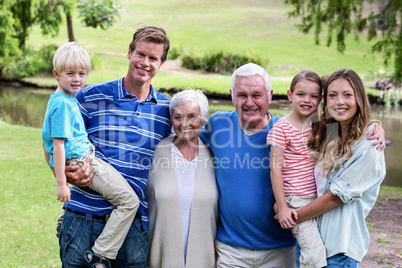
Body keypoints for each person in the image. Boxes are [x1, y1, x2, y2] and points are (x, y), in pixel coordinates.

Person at [44, 26, 171, 267]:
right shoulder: (88, 96)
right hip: (82, 218)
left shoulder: (167, 110)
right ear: (129, 53)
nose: (145, 62)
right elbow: (52, 137)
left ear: (161, 63)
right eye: (140, 54)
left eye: (153, 58)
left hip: (132, 226)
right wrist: (62, 176)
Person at [42, 41, 140, 268]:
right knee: (129, 202)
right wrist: (61, 182)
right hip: (82, 162)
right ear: (56, 74)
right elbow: (56, 145)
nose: (77, 79)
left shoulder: (64, 99)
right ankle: (100, 254)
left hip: (85, 158)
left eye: (82, 74)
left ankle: (66, 220)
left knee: (125, 196)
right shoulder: (63, 105)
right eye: (70, 74)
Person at [199, 63, 296, 268]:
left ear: (270, 96)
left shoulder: (287, 131)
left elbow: (331, 135)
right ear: (232, 95)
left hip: (281, 249)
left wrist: (372, 126)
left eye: (257, 95)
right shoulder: (218, 124)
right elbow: (183, 135)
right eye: (242, 95)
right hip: (231, 250)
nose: (249, 103)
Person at [290, 68, 386, 267]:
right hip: (311, 242)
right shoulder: (329, 131)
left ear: (359, 98)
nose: (339, 101)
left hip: (338, 251)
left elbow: (334, 198)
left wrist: (290, 217)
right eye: (332, 95)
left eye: (347, 95)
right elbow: (289, 123)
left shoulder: (369, 144)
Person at [146, 89, 219, 268]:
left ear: (203, 118)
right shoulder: (155, 151)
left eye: (192, 116)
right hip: (159, 257)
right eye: (178, 117)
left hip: (205, 258)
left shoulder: (214, 154)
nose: (185, 124)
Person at [267, 71, 327, 268]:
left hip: (318, 198)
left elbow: (355, 128)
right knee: (314, 254)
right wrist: (283, 207)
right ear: (289, 95)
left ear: (321, 99)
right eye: (301, 94)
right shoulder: (281, 128)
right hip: (297, 200)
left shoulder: (321, 125)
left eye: (314, 96)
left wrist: (377, 127)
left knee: (314, 248)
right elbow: (275, 170)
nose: (307, 100)